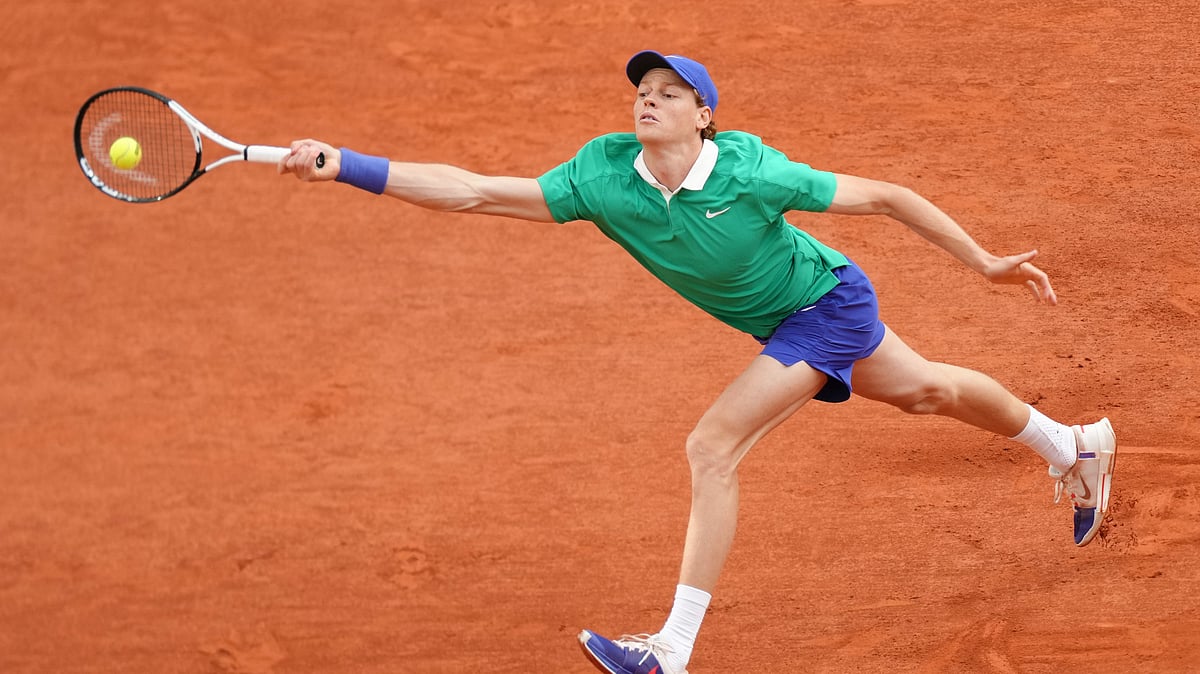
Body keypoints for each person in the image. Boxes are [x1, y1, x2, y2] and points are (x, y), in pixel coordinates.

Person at [278, 50, 1117, 674]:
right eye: (642, 93)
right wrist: (346, 165)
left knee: (711, 447)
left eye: (669, 94)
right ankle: (1073, 444)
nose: (648, 102)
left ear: (704, 115)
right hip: (795, 315)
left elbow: (889, 197)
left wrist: (985, 263)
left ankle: (672, 650)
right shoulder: (603, 176)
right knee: (927, 390)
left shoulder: (753, 170)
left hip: (823, 306)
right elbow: (474, 190)